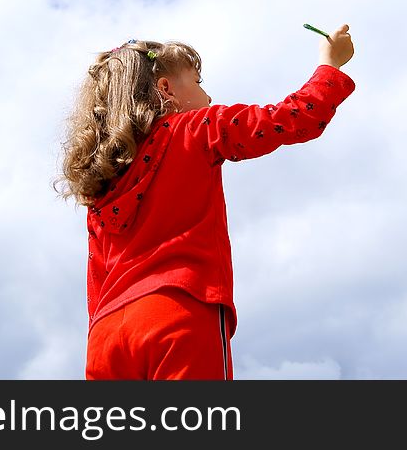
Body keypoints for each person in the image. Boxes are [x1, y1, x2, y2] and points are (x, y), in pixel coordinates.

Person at [53, 24, 356, 379]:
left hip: (105, 338)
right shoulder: (199, 127)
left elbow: (96, 278)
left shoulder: (101, 183)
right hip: (176, 313)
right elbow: (290, 119)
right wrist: (329, 66)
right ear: (166, 90)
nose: (208, 96)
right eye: (197, 82)